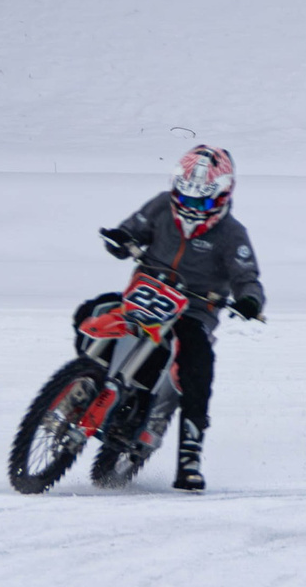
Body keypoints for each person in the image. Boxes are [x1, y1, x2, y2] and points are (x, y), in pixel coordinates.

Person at [97, 145, 266, 492]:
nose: (191, 207)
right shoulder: (161, 205)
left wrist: (249, 300)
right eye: (184, 197)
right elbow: (132, 230)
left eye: (201, 202)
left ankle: (190, 454)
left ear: (221, 197)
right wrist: (120, 240)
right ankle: (82, 385)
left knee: (198, 362)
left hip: (192, 310)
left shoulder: (232, 233)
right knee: (93, 312)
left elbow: (247, 276)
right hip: (145, 295)